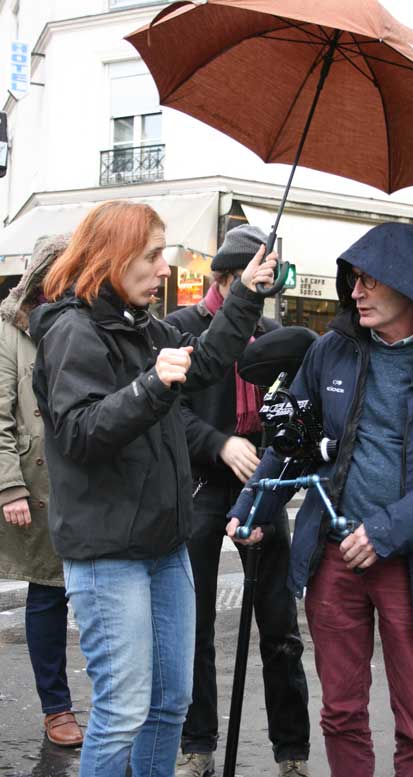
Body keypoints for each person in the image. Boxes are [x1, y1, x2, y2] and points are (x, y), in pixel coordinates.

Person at [226, 222, 413, 777]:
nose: (354, 292)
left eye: (369, 281)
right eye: (353, 280)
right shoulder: (332, 351)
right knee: (341, 713)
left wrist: (386, 532)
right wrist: (250, 507)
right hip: (333, 558)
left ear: (412, 286)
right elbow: (291, 440)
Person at [28, 200, 276, 777]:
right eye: (152, 255)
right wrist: (150, 388)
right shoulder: (72, 331)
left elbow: (209, 362)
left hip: (165, 546)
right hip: (108, 552)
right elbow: (80, 433)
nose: (164, 268)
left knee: (168, 705)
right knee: (122, 712)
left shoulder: (144, 326)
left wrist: (246, 293)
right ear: (113, 257)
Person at [166, 225, 311, 777]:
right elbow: (167, 411)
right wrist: (218, 442)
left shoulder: (272, 332)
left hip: (263, 487)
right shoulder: (181, 327)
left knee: (280, 626)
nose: (261, 289)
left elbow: (293, 416)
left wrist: (273, 455)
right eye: (251, 279)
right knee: (196, 624)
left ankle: (291, 752)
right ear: (224, 279)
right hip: (203, 486)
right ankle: (197, 744)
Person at [0, 234, 83, 748]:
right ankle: (56, 707)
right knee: (48, 593)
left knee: (97, 595)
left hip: (88, 481)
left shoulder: (90, 321)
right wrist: (9, 486)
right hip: (36, 484)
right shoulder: (10, 332)